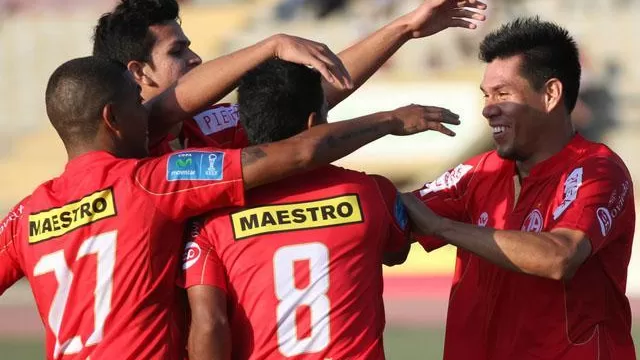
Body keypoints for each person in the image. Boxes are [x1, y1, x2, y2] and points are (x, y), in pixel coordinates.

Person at [0, 56, 460, 360]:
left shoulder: (23, 217)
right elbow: (293, 154)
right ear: (112, 118)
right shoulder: (152, 182)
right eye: (139, 103)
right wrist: (391, 119)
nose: (152, 114)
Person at [180, 59, 452, 360]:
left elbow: (209, 325)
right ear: (314, 124)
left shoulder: (213, 217)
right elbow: (396, 253)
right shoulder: (371, 192)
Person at [401, 17, 636, 360]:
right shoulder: (477, 173)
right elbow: (390, 221)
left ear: (550, 95)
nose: (488, 108)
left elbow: (559, 256)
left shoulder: (597, 170)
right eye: (486, 95)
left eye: (502, 93)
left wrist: (443, 228)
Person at [92, 0, 487, 155]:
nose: (196, 58)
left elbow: (317, 91)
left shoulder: (207, 125)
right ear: (138, 72)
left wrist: (404, 28)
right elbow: (166, 108)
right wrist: (271, 45)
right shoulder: (126, 142)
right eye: (178, 52)